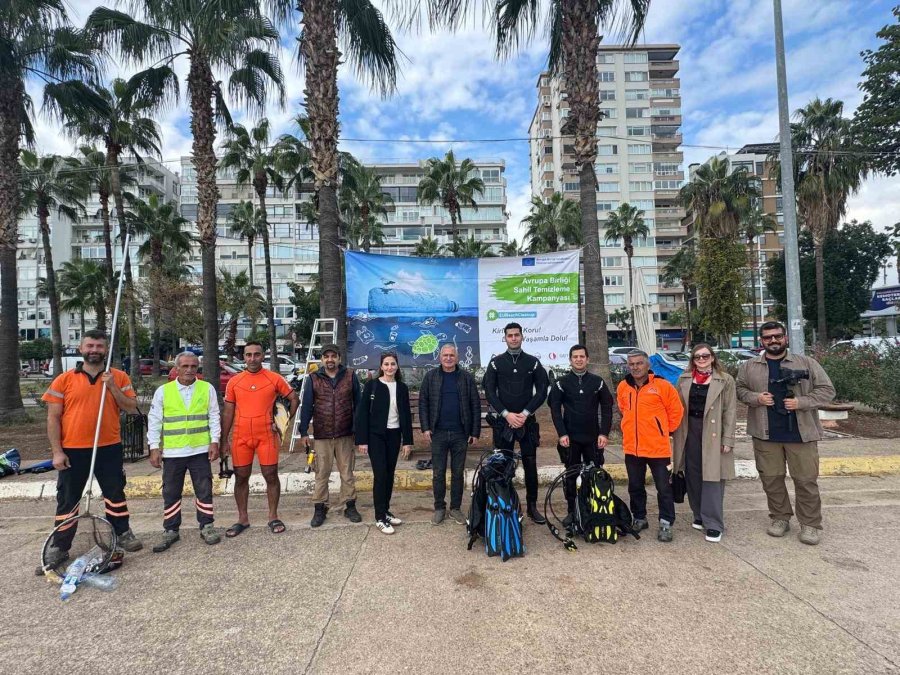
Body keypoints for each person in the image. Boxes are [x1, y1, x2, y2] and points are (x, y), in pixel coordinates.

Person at [40, 330, 143, 572]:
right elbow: (53, 418)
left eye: (99, 346)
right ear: (81, 349)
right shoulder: (63, 380)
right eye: (90, 346)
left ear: (105, 350)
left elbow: (131, 408)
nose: (94, 350)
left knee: (115, 493)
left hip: (108, 447)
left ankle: (122, 532)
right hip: (73, 450)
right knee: (68, 499)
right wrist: (57, 452)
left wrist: (113, 388)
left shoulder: (118, 376)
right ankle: (60, 545)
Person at [736, 321, 836, 545]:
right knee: (771, 480)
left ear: (785, 338)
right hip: (765, 433)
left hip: (801, 434)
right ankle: (780, 517)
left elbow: (827, 391)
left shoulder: (806, 363)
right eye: (768, 337)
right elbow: (740, 390)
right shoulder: (750, 366)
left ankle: (810, 524)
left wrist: (801, 402)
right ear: (761, 341)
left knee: (806, 481)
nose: (773, 340)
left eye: (777, 336)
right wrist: (756, 398)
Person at [221, 341, 298, 537]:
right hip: (241, 436)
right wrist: (223, 440)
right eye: (248, 355)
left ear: (263, 356)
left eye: (256, 354)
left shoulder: (274, 378)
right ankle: (242, 518)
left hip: (267, 435)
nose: (252, 358)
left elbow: (293, 399)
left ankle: (273, 516)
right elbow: (228, 412)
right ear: (243, 357)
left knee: (270, 475)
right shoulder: (235, 381)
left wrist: (282, 423)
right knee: (241, 477)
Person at [147, 351, 221, 552]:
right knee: (171, 492)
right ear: (176, 368)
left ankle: (207, 526)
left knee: (204, 490)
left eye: (193, 367)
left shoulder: (207, 389)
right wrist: (154, 447)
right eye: (185, 366)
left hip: (200, 450)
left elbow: (214, 416)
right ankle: (171, 530)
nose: (189, 370)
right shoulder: (163, 391)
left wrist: (215, 442)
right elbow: (154, 421)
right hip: (173, 452)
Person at [482, 322, 550, 524]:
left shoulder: (533, 363)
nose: (513, 338)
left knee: (530, 465)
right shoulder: (495, 363)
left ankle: (531, 507)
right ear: (505, 338)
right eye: (510, 335)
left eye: (516, 335)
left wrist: (525, 413)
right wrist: (506, 414)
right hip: (504, 423)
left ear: (522, 337)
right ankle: (505, 504)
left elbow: (542, 389)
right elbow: (490, 392)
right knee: (502, 466)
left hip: (526, 422)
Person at [617, 349, 684, 542]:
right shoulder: (623, 386)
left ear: (648, 365)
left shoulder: (662, 386)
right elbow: (623, 408)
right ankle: (639, 517)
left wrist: (664, 431)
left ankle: (665, 522)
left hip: (658, 448)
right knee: (635, 486)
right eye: (631, 364)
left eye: (639, 363)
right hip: (632, 448)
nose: (635, 367)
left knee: (664, 487)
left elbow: (676, 411)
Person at [672, 344, 737, 543]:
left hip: (713, 432)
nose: (701, 359)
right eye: (697, 357)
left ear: (712, 357)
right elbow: (676, 407)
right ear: (692, 360)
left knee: (712, 478)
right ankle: (699, 514)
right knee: (692, 474)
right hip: (689, 431)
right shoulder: (684, 379)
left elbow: (730, 411)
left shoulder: (725, 380)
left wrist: (728, 439)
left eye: (705, 356)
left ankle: (714, 523)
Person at [548, 344, 614, 527]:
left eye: (582, 356)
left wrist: (604, 433)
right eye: (575, 357)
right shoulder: (561, 383)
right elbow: (555, 410)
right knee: (572, 476)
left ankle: (594, 509)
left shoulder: (597, 381)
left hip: (593, 438)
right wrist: (562, 434)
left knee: (595, 474)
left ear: (588, 359)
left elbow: (607, 408)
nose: (578, 359)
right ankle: (572, 511)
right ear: (570, 360)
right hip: (570, 439)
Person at [297, 343, 363, 528]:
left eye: (333, 356)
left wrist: (359, 431)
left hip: (345, 434)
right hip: (322, 435)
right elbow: (307, 406)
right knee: (321, 474)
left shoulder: (350, 376)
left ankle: (349, 506)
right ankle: (320, 508)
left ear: (339, 358)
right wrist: (303, 431)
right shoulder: (313, 378)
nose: (330, 360)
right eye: (326, 357)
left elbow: (358, 405)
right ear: (322, 359)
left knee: (347, 473)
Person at [418, 343, 481, 526]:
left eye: (451, 355)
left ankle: (455, 508)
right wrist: (425, 427)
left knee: (457, 473)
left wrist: (474, 431)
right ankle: (439, 508)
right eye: (445, 355)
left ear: (457, 357)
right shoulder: (431, 377)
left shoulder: (466, 378)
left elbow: (475, 405)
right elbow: (423, 403)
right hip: (437, 433)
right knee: (438, 473)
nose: (448, 358)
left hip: (460, 434)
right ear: (439, 357)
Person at [355, 353, 414, 534]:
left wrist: (408, 441)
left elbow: (405, 415)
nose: (389, 367)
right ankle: (379, 517)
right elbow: (362, 414)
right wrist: (362, 440)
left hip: (394, 435)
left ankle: (385, 511)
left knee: (389, 475)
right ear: (381, 366)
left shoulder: (402, 387)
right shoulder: (372, 386)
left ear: (397, 366)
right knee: (380, 475)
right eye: (386, 364)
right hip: (375, 437)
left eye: (393, 364)